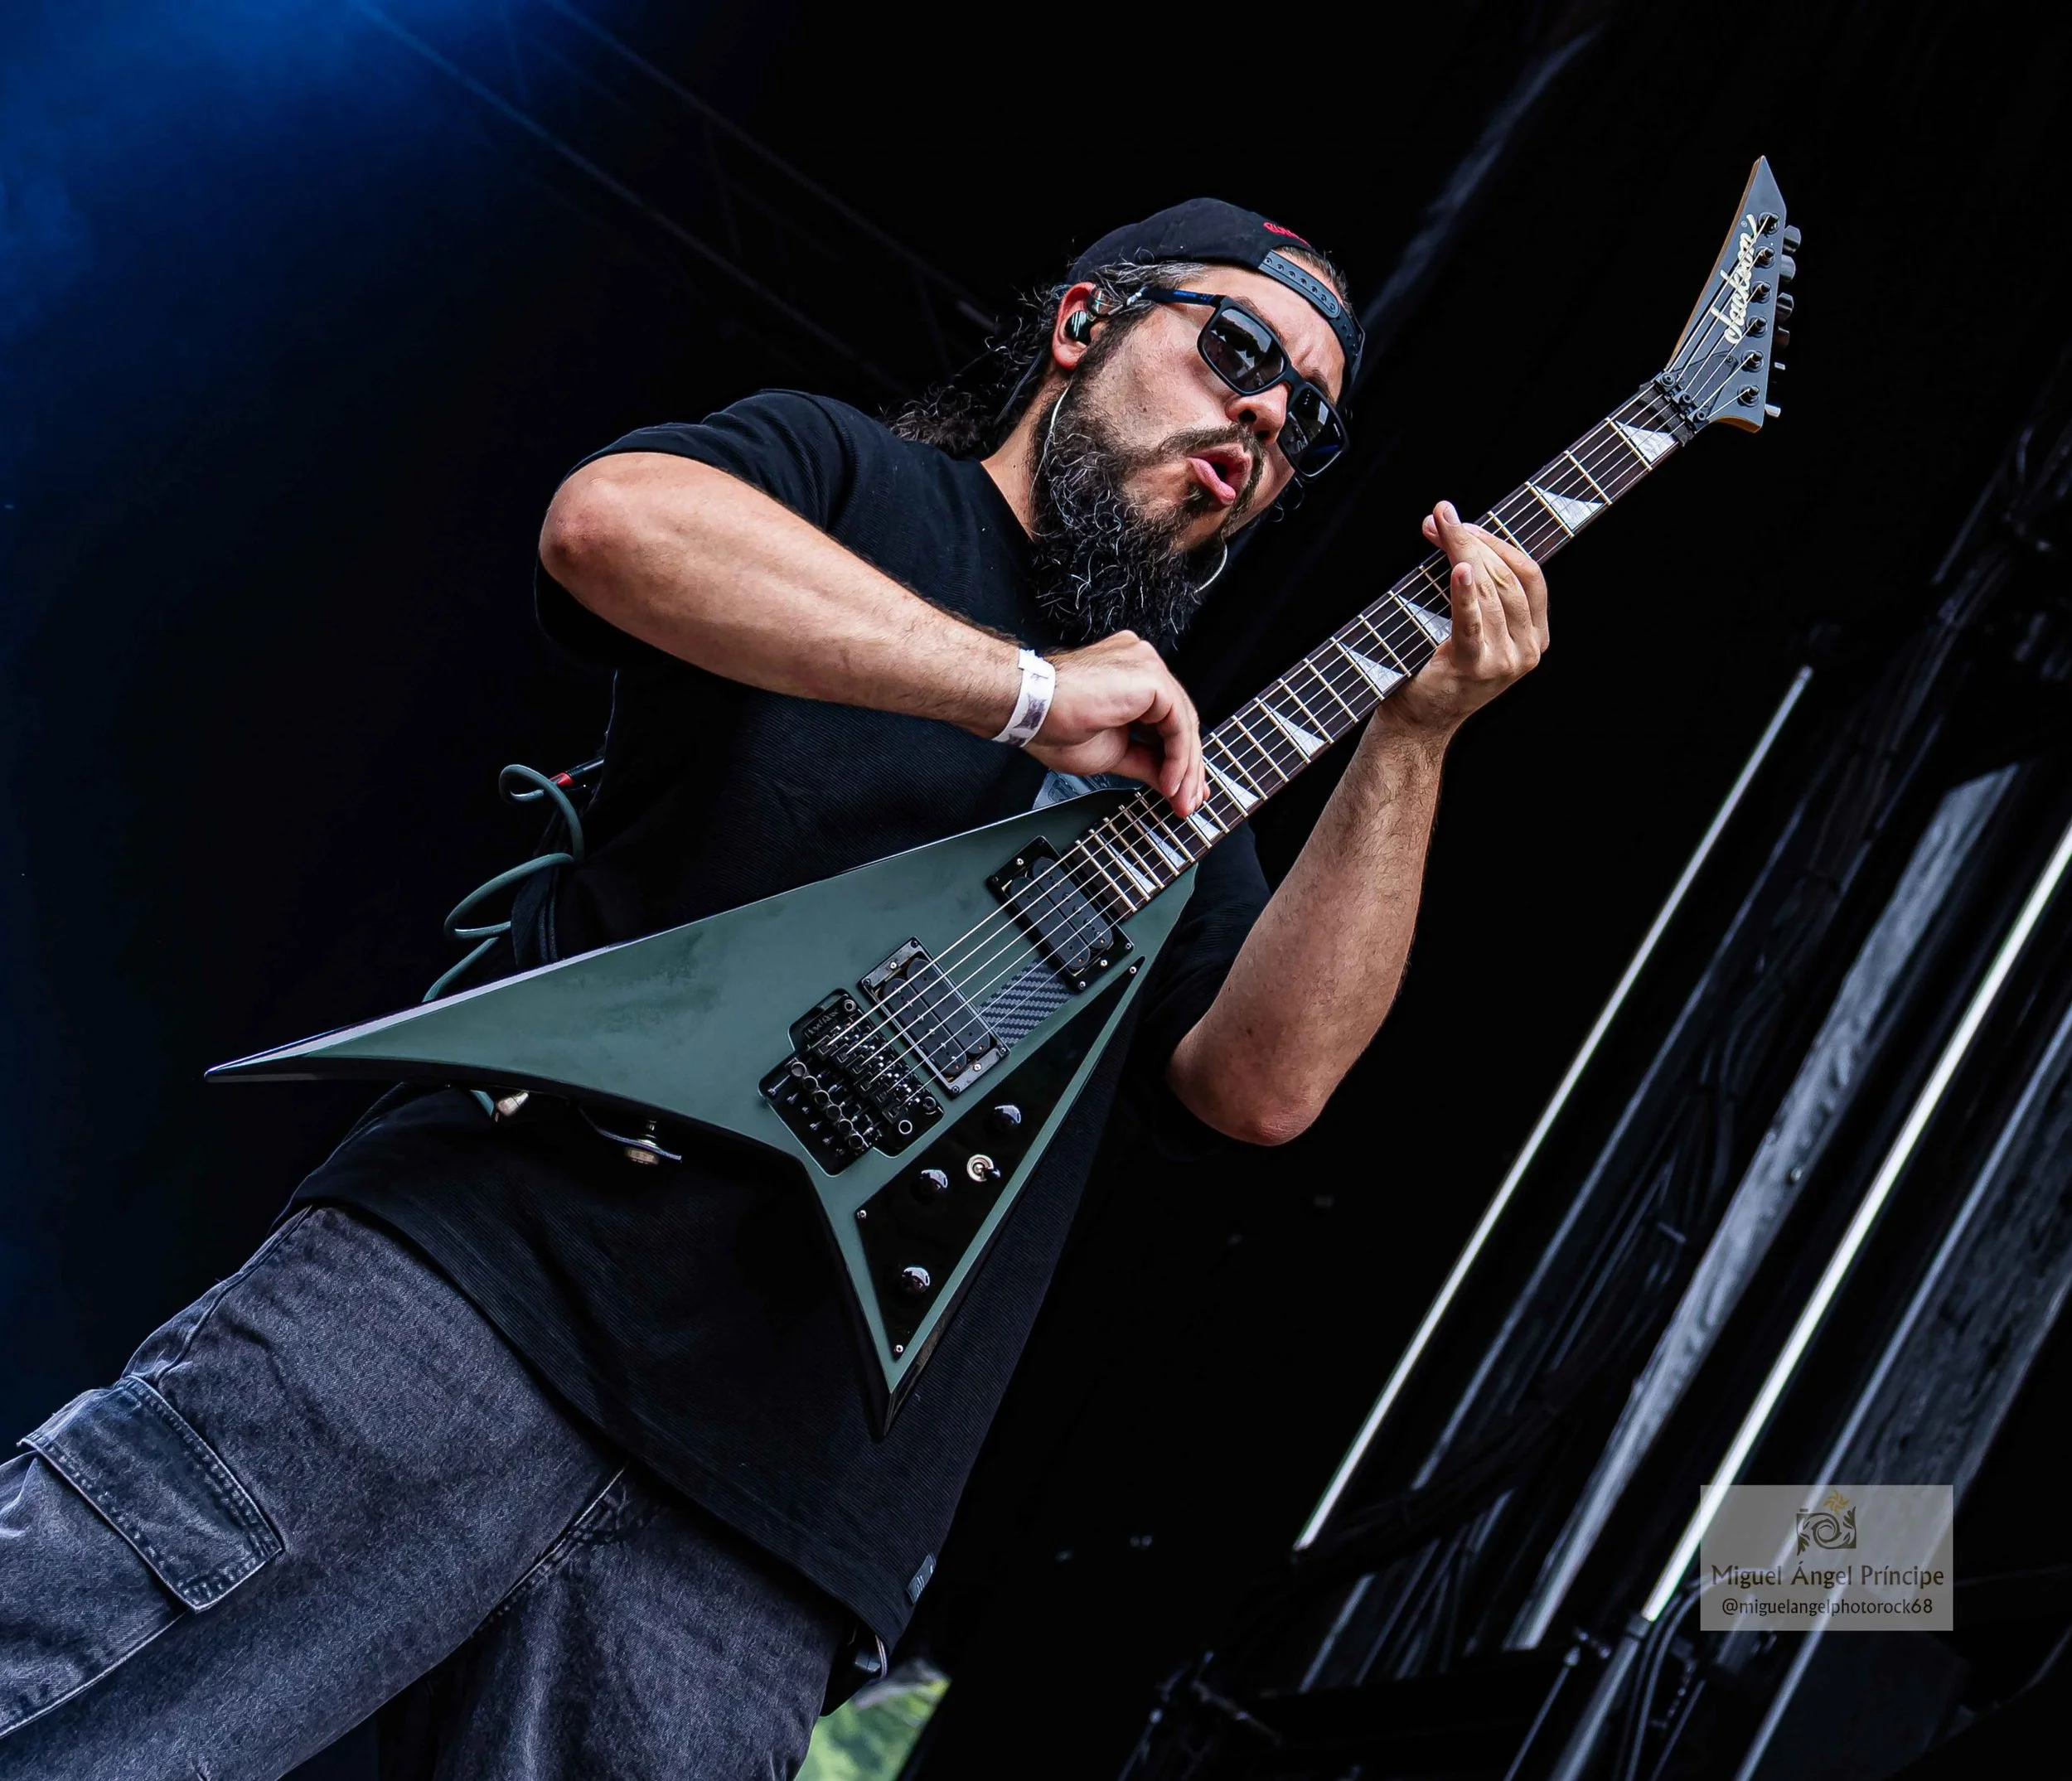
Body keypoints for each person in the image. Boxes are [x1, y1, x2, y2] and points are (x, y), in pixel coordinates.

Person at [0, 199, 1548, 1779]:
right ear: (1083, 326)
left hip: (784, 1520)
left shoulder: (1178, 779)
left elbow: (1264, 1085)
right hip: (472, 1294)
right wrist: (1022, 692)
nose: (1268, 419)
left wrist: (1414, 740)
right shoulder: (852, 482)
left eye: (1309, 428)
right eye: (1235, 351)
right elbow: (613, 527)